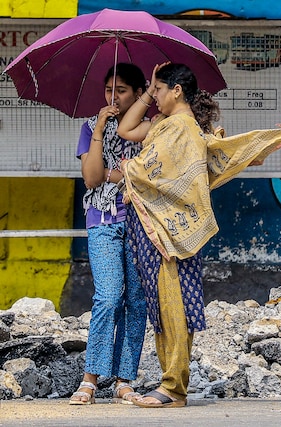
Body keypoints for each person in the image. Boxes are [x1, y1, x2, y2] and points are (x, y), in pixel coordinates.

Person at [117, 62, 281, 408]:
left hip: (168, 233)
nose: (153, 97)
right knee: (166, 304)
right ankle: (171, 385)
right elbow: (131, 133)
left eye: (158, 90)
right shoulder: (171, 126)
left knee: (174, 305)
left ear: (177, 91)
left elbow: (151, 169)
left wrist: (128, 167)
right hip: (162, 229)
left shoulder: (180, 129)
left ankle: (172, 389)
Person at [70, 63, 148, 405]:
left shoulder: (151, 129)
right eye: (108, 91)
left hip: (142, 223)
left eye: (121, 91)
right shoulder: (90, 126)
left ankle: (123, 380)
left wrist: (117, 175)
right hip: (102, 221)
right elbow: (91, 178)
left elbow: (148, 177)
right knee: (108, 297)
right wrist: (101, 129)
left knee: (137, 301)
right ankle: (90, 379)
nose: (112, 97)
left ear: (138, 93)